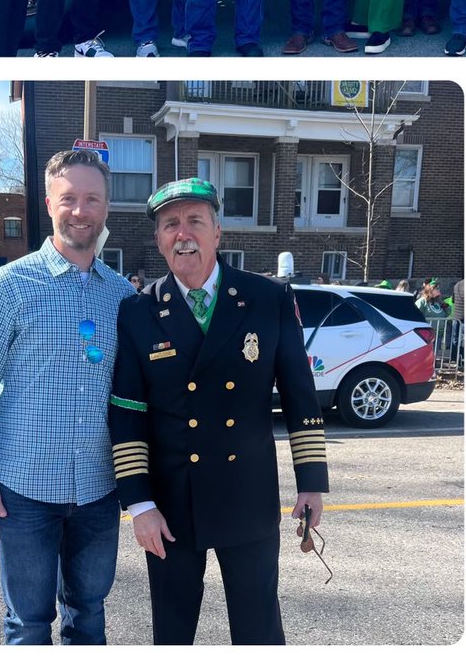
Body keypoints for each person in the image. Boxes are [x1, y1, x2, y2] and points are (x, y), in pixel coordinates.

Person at [109, 178, 328, 645]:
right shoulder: (139, 312)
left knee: (258, 627)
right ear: (158, 239)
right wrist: (140, 504)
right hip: (169, 501)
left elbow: (299, 396)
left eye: (194, 221)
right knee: (172, 629)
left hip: (246, 492)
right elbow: (128, 413)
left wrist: (311, 482)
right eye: (171, 225)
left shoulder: (267, 299)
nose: (182, 233)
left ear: (217, 232)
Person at [0, 149, 135, 644]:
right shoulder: (10, 285)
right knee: (27, 622)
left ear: (106, 207)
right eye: (68, 197)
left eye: (92, 198)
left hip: (98, 488)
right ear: (49, 203)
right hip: (23, 490)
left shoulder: (121, 296)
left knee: (89, 614)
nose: (80, 210)